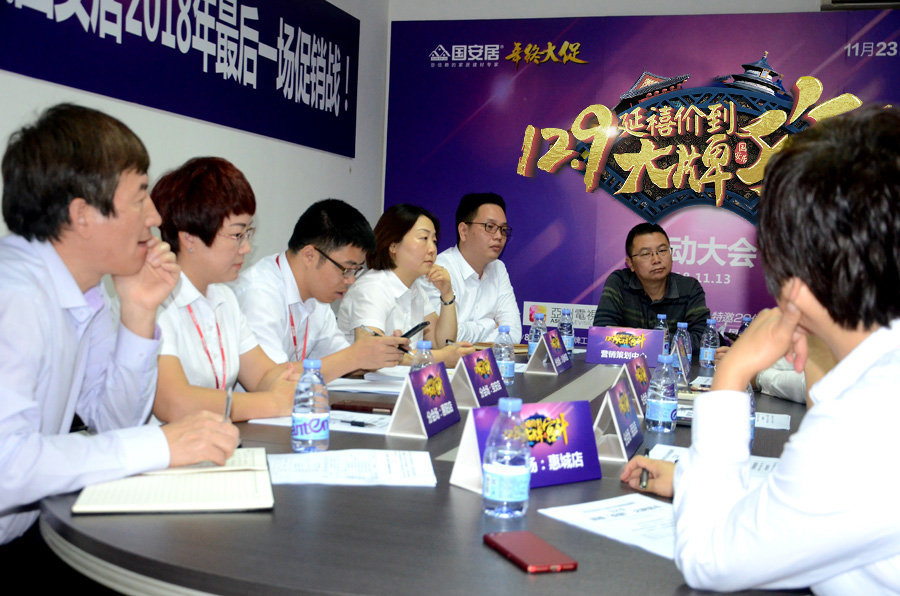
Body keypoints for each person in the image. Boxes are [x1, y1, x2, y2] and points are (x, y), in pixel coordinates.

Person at [620, 105, 900, 594]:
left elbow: (708, 561)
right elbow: (818, 503)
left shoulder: (866, 425)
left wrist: (732, 377)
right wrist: (692, 480)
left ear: (795, 275)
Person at [0, 105, 239, 547]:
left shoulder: (83, 291)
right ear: (82, 215)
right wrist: (160, 445)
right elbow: (6, 467)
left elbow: (115, 422)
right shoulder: (13, 296)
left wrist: (139, 310)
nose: (155, 218)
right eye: (139, 197)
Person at [151, 157, 297, 422]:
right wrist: (274, 402)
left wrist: (293, 382)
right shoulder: (153, 301)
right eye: (237, 235)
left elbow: (262, 375)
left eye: (247, 233)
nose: (246, 248)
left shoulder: (223, 297)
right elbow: (174, 403)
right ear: (189, 237)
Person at [233, 199, 409, 381]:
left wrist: (378, 353)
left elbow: (340, 361)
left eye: (356, 270)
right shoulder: (258, 293)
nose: (350, 280)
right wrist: (355, 357)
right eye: (346, 269)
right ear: (310, 255)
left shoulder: (318, 297)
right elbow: (272, 378)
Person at [337, 203, 474, 366]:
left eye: (434, 240)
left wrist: (447, 293)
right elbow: (373, 352)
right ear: (393, 245)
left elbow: (442, 343)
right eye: (424, 238)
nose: (432, 249)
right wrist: (442, 357)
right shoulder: (372, 287)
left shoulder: (416, 287)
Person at [421, 192, 522, 343]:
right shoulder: (436, 270)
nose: (499, 236)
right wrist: (490, 325)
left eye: (503, 229)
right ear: (463, 231)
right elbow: (445, 338)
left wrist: (467, 331)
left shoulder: (498, 268)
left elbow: (513, 333)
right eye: (490, 227)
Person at [593, 222, 710, 350]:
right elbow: (602, 333)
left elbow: (703, 339)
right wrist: (654, 339)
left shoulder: (689, 288)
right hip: (628, 362)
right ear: (630, 263)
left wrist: (646, 338)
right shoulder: (619, 282)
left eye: (662, 250)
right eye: (645, 254)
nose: (656, 260)